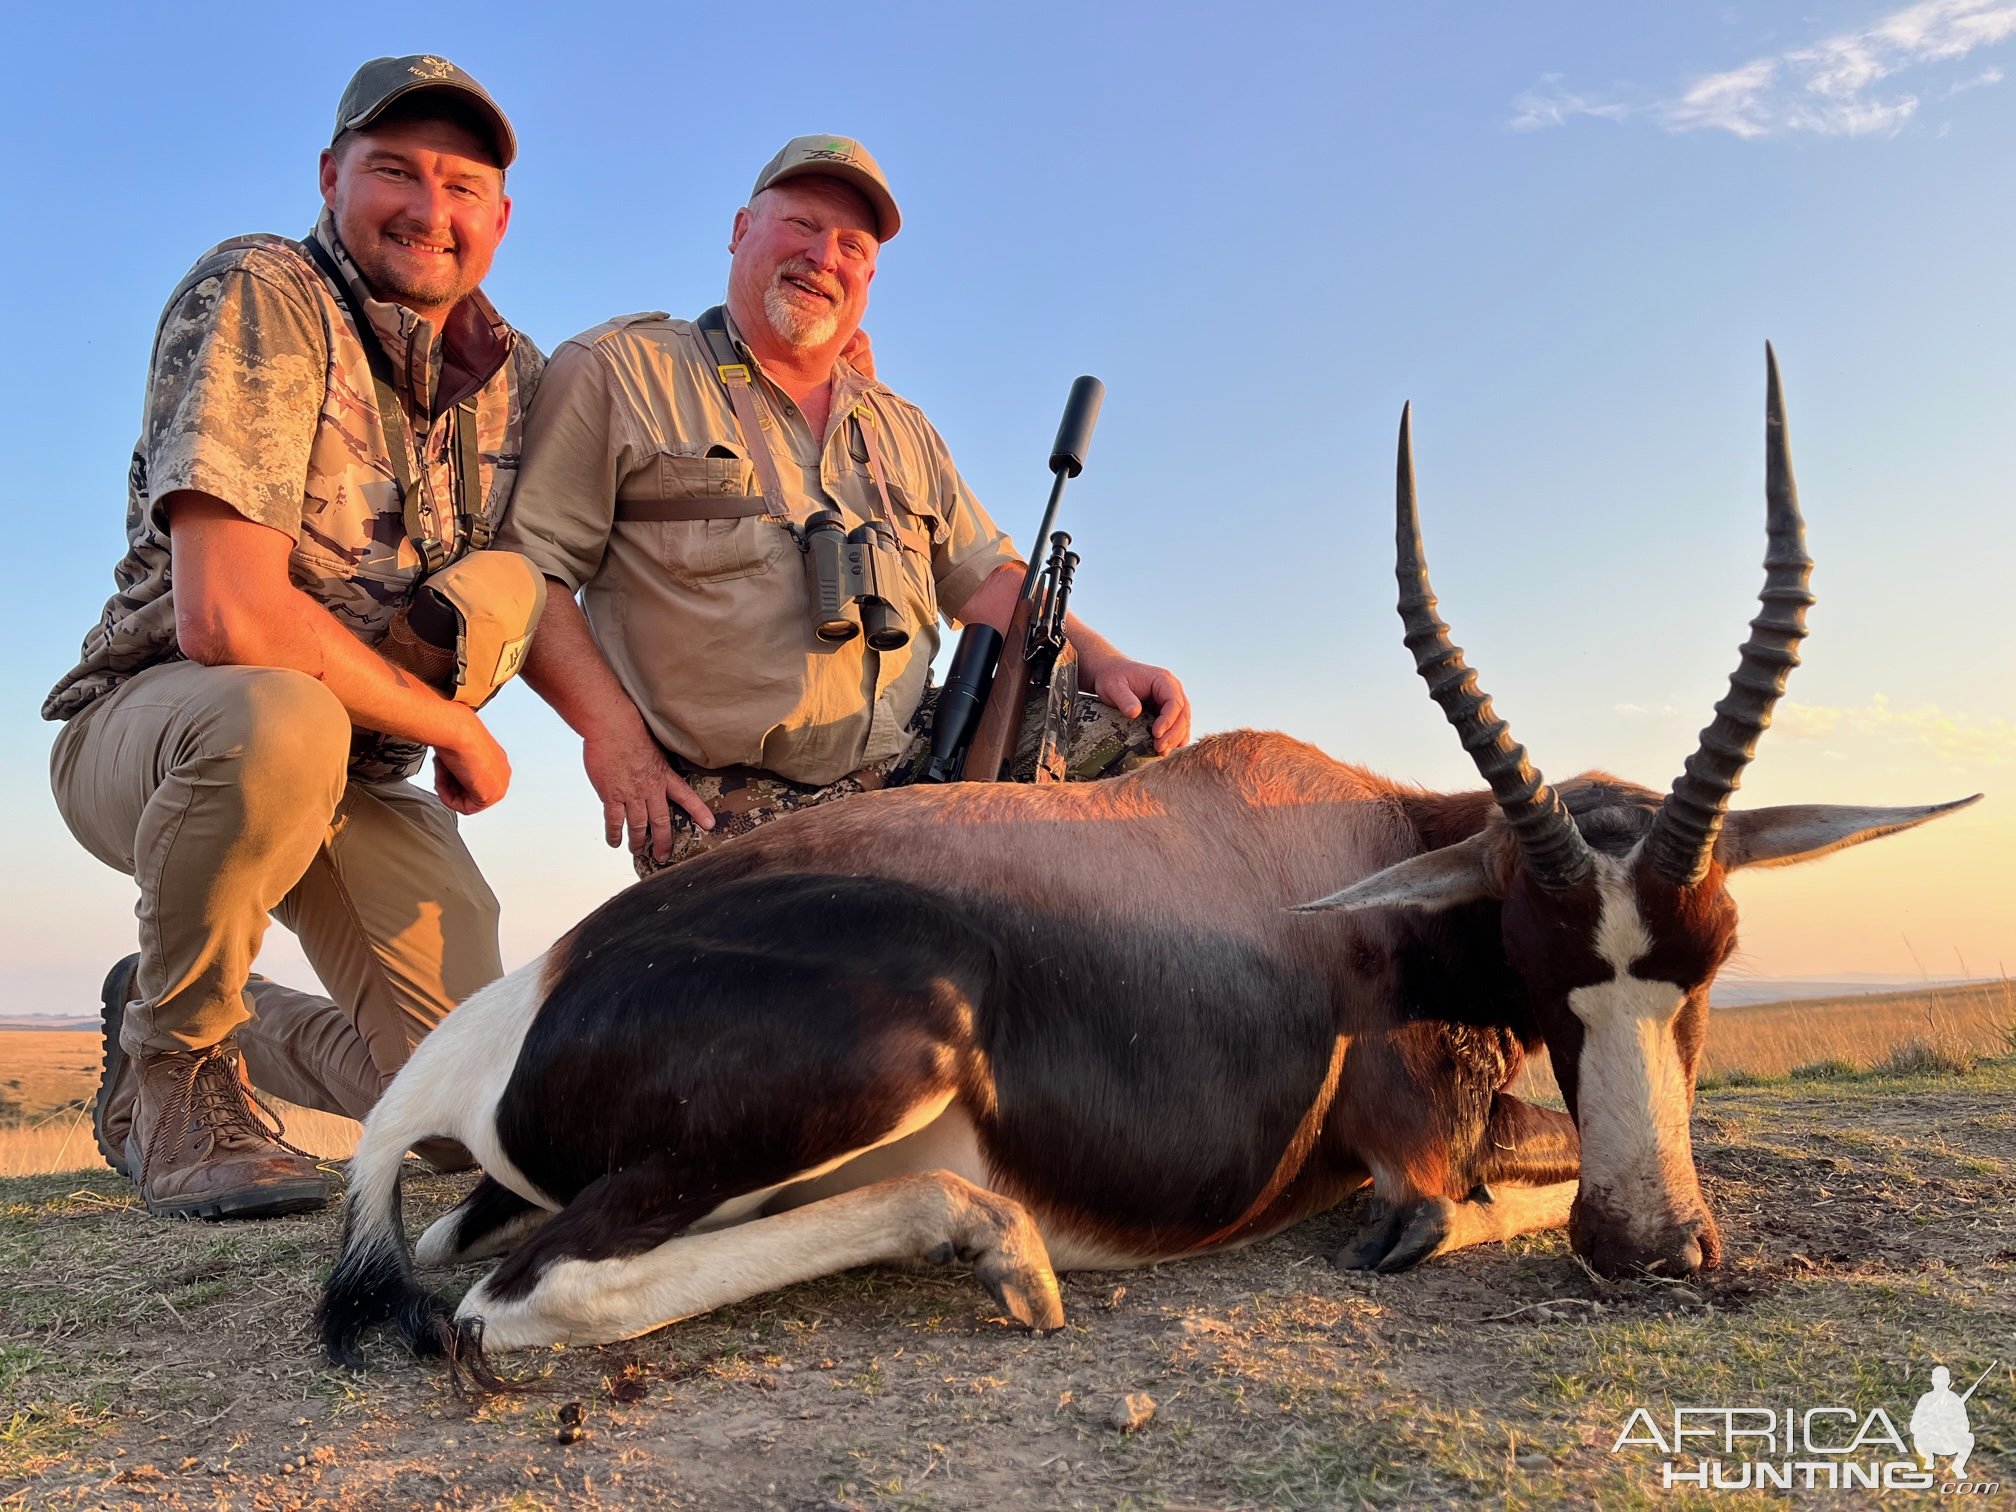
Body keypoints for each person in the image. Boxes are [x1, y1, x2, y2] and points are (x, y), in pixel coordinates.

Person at [44, 56, 545, 1220]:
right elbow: (228, 617)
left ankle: (202, 1014)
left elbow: (579, 552)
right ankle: (175, 1079)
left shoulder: (512, 376)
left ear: (501, 217)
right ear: (330, 177)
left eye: (464, 185)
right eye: (395, 172)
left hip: (355, 777)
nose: (431, 209)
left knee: (472, 1116)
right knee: (280, 713)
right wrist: (452, 730)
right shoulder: (262, 290)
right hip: (174, 726)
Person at [501, 135, 1190, 871]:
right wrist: (611, 733)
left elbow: (985, 578)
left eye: (853, 245)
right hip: (730, 796)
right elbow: (529, 569)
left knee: (1134, 740)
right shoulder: (622, 373)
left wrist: (1106, 659)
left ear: (869, 273)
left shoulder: (902, 425)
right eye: (801, 225)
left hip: (918, 760)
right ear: (740, 230)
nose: (824, 257)